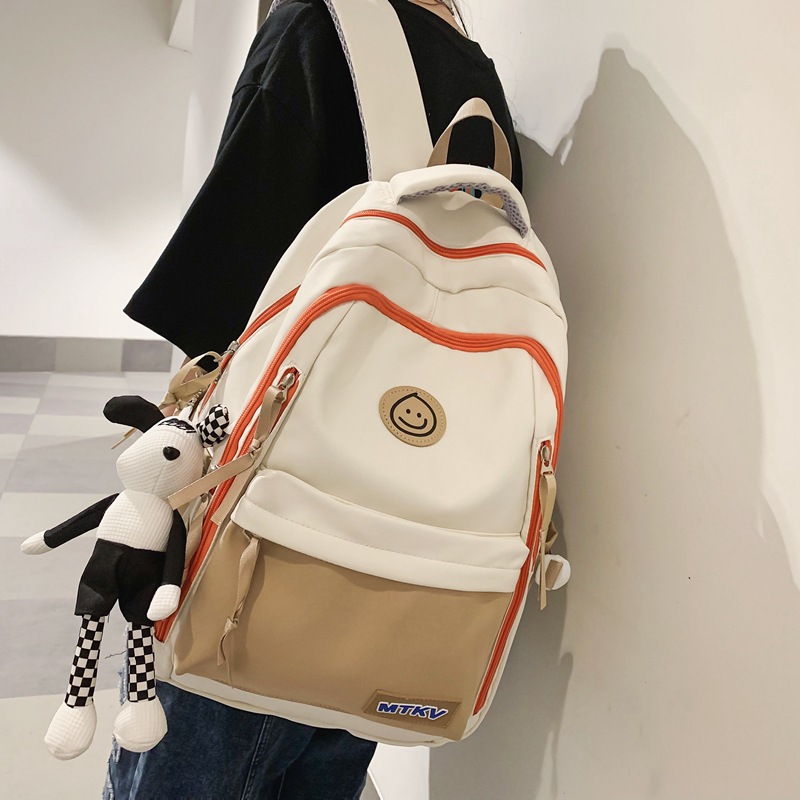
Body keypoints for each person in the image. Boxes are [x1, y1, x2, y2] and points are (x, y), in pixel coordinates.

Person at [108, 1, 523, 797]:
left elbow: (225, 303)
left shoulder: (319, 30)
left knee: (199, 738)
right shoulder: (473, 74)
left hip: (275, 521)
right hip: (414, 547)